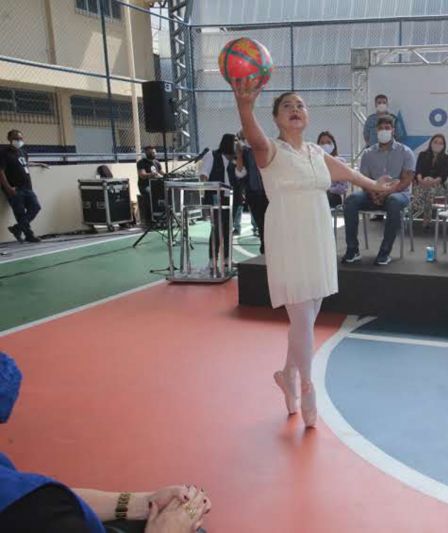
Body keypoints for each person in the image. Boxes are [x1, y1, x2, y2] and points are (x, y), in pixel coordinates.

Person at [233, 82, 389, 427]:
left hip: (318, 235)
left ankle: (287, 374)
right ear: (276, 117)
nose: (295, 109)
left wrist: (377, 186)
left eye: (300, 105)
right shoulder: (269, 150)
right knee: (302, 318)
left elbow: (348, 173)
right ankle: (306, 385)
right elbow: (253, 137)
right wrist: (245, 106)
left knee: (307, 316)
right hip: (289, 235)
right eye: (287, 105)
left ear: (307, 115)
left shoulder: (317, 154)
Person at [0, 352, 211, 533]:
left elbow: (53, 504)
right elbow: (43, 507)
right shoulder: (32, 510)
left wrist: (144, 502)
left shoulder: (26, 495)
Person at [342, 116, 416, 266]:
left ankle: (384, 252)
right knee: (351, 200)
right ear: (376, 131)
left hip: (397, 194)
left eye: (387, 128)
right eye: (381, 128)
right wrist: (372, 193)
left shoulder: (406, 152)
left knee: (394, 201)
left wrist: (386, 193)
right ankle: (352, 249)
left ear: (393, 131)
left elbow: (406, 180)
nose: (384, 131)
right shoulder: (368, 153)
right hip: (372, 193)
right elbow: (364, 179)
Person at [199, 133, 247, 274]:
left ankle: (227, 260)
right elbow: (204, 175)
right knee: (217, 230)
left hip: (232, 199)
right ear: (227, 143)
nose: (237, 145)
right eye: (235, 142)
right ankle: (212, 261)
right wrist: (207, 192)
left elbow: (241, 175)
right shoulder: (212, 155)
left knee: (228, 230)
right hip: (216, 199)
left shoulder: (236, 160)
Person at [1, 130, 48, 243]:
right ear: (9, 139)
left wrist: (38, 164)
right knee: (20, 212)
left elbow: (24, 164)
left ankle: (17, 228)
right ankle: (29, 235)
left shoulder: (23, 152)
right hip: (14, 188)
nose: (19, 141)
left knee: (35, 207)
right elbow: (1, 171)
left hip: (27, 187)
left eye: (20, 138)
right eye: (16, 138)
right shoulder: (3, 153)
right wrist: (8, 188)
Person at [409, 134, 448, 230]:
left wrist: (432, 181)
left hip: (438, 186)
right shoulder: (422, 155)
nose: (437, 144)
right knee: (428, 191)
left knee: (430, 190)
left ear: (444, 146)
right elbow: (418, 171)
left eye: (440, 143)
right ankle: (426, 219)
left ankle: (416, 207)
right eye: (435, 142)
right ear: (431, 143)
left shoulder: (447, 158)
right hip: (422, 184)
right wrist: (421, 180)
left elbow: (443, 176)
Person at [237, 129, 268, 255]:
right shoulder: (243, 152)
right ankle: (264, 251)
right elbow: (239, 173)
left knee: (271, 225)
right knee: (261, 225)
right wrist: (239, 153)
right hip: (254, 194)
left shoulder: (264, 148)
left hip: (269, 193)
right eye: (244, 138)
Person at [317, 131, 349, 209]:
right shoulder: (314, 161)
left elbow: (343, 187)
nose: (325, 145)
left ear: (333, 145)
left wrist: (329, 189)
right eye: (322, 143)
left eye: (328, 142)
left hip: (333, 196)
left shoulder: (340, 162)